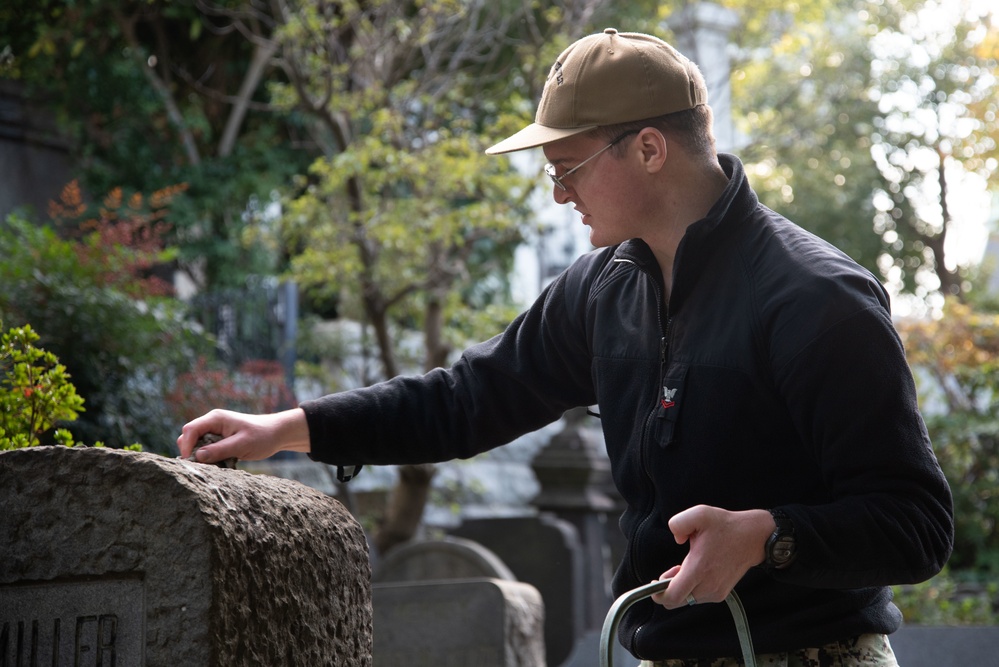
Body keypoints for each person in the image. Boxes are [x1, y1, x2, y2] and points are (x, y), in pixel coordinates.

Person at [178, 28, 954, 666]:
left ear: (648, 149)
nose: (557, 193)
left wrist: (767, 537)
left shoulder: (814, 297)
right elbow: (467, 398)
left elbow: (915, 524)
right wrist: (290, 427)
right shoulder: (600, 289)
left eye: (566, 167)